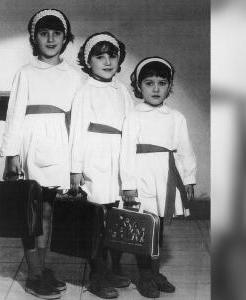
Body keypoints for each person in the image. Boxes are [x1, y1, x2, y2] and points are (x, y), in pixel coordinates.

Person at [0, 9, 82, 299]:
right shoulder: (26, 72)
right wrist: (11, 156)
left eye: (56, 33)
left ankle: (40, 267)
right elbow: (14, 116)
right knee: (30, 212)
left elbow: (79, 120)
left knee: (48, 211)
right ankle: (34, 273)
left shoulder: (73, 75)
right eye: (44, 33)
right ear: (34, 38)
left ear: (65, 38)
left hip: (61, 144)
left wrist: (77, 160)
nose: (50, 39)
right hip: (31, 144)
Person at [120, 57, 197, 298]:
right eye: (149, 83)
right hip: (142, 177)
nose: (155, 89)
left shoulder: (176, 117)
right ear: (139, 87)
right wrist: (129, 185)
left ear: (169, 87)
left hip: (167, 178)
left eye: (161, 83)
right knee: (144, 228)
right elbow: (126, 152)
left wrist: (189, 179)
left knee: (159, 228)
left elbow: (185, 150)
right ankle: (144, 276)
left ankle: (154, 271)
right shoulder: (134, 116)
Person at [69, 32, 133, 299]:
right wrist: (76, 168)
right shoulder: (85, 91)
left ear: (119, 60)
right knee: (95, 219)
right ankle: (96, 275)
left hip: (120, 156)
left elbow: (131, 128)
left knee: (115, 218)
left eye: (112, 56)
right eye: (100, 56)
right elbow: (76, 132)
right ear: (88, 61)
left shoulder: (124, 92)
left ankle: (110, 269)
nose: (107, 61)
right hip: (94, 156)